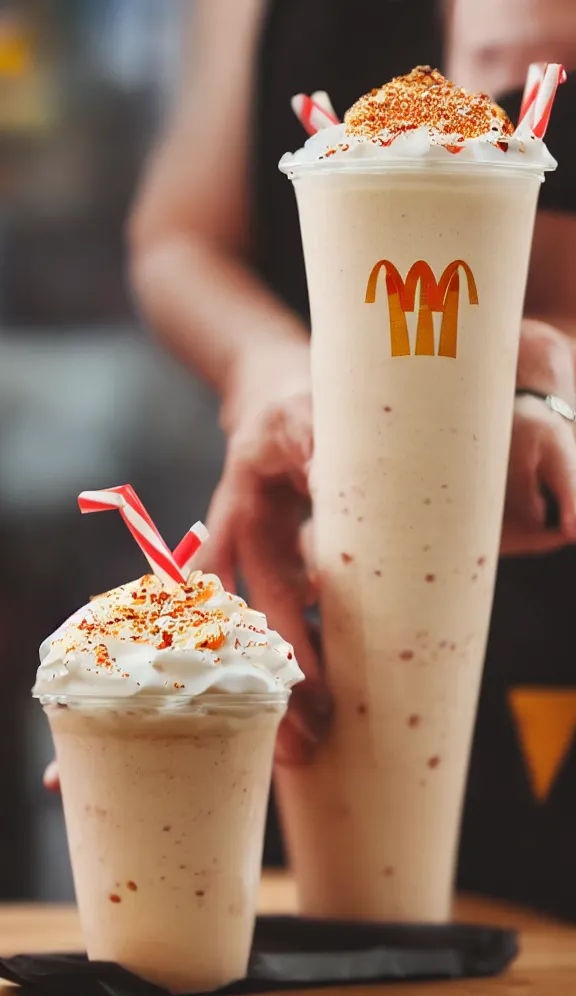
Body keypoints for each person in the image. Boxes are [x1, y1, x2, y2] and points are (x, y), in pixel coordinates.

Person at [126, 0, 576, 913]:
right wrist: (282, 371)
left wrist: (549, 380)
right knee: (341, 940)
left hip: (549, 566)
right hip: (332, 550)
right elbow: (179, 238)